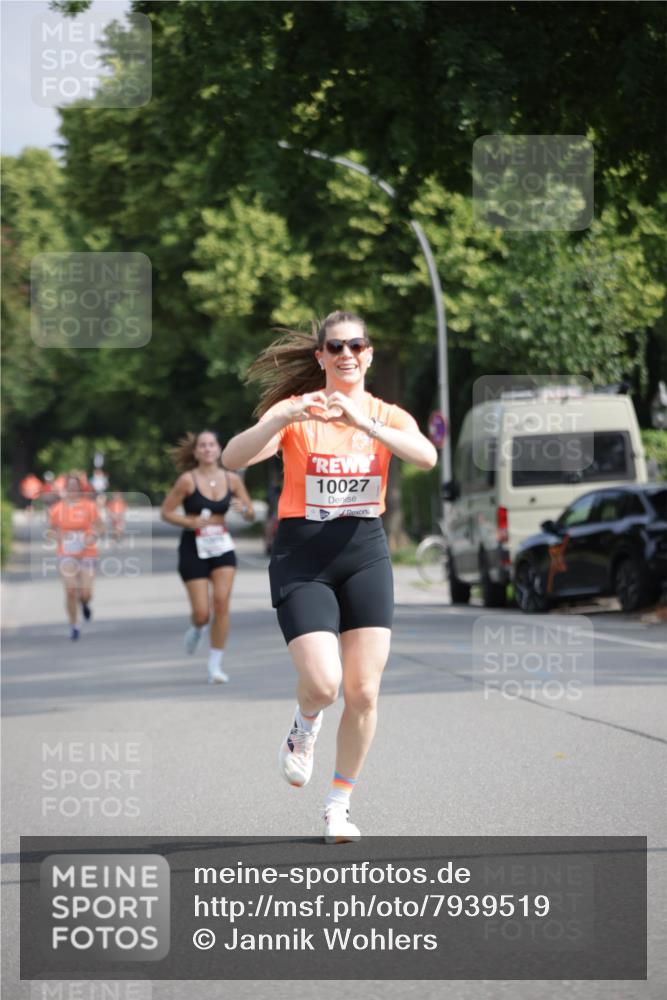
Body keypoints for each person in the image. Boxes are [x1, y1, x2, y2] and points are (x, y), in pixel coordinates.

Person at [222, 310, 437, 844]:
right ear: (320, 357)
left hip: (364, 551)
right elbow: (233, 457)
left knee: (363, 692)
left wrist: (366, 424)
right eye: (335, 347)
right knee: (324, 682)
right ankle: (304, 726)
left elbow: (427, 456)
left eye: (355, 345)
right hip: (304, 557)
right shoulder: (297, 415)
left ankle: (338, 805)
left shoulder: (387, 415)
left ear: (368, 354)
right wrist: (282, 416)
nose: (346, 354)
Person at [160, 430, 255, 684]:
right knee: (202, 612)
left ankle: (215, 666)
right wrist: (190, 521)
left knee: (222, 604)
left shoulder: (232, 480)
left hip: (221, 545)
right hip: (194, 546)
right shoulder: (187, 481)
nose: (207, 449)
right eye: (202, 446)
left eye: (211, 445)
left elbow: (250, 513)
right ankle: (198, 627)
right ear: (195, 452)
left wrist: (243, 508)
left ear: (219, 449)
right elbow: (166, 512)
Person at [47, 471, 105, 640]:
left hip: (87, 552)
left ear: (80, 489)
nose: (72, 489)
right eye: (69, 486)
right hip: (66, 553)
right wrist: (58, 537)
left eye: (75, 486)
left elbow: (101, 527)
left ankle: (85, 603)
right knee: (70, 590)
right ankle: (74, 625)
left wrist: (93, 535)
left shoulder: (89, 506)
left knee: (85, 593)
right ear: (65, 488)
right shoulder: (57, 508)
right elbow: (50, 530)